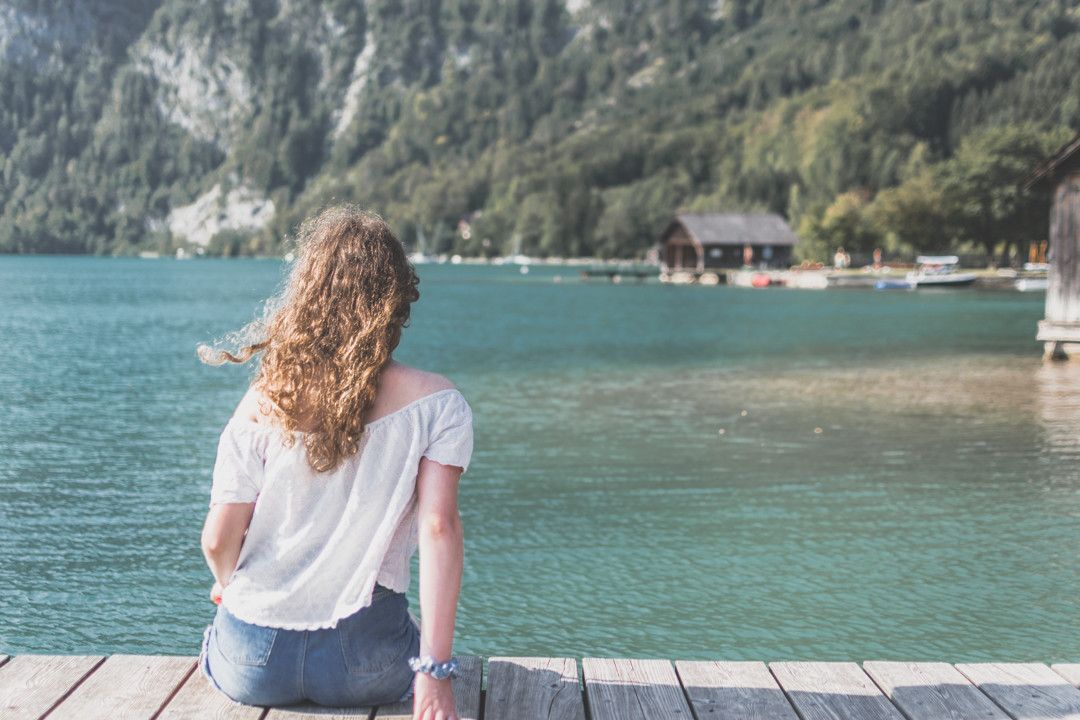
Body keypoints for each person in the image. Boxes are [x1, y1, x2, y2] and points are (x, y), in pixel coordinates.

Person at [196, 205, 473, 720]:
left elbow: (217, 539)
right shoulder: (438, 405)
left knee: (219, 636)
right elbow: (439, 529)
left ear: (307, 298)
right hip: (363, 662)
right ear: (392, 302)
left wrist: (226, 582)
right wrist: (433, 673)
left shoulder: (265, 401)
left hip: (252, 662)